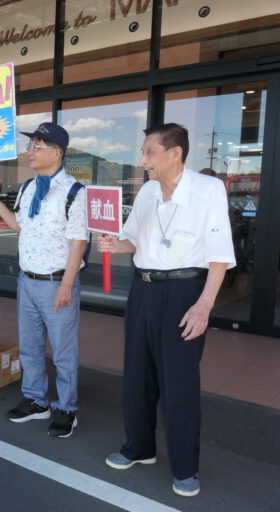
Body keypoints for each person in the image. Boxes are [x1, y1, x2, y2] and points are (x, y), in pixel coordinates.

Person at [99, 123, 235, 497]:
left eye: (149, 152)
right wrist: (115, 245)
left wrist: (204, 305)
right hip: (143, 289)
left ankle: (185, 468)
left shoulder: (207, 190)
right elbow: (132, 240)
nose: (143, 161)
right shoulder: (146, 192)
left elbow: (219, 256)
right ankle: (138, 448)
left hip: (184, 291)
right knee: (137, 376)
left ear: (175, 153)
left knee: (179, 382)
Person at [0, 122, 88, 438]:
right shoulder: (29, 187)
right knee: (28, 347)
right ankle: (35, 400)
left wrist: (67, 285)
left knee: (63, 351)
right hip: (27, 280)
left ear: (56, 152)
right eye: (30, 146)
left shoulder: (74, 192)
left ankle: (66, 409)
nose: (29, 151)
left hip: (57, 282)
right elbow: (21, 227)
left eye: (36, 146)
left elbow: (78, 242)